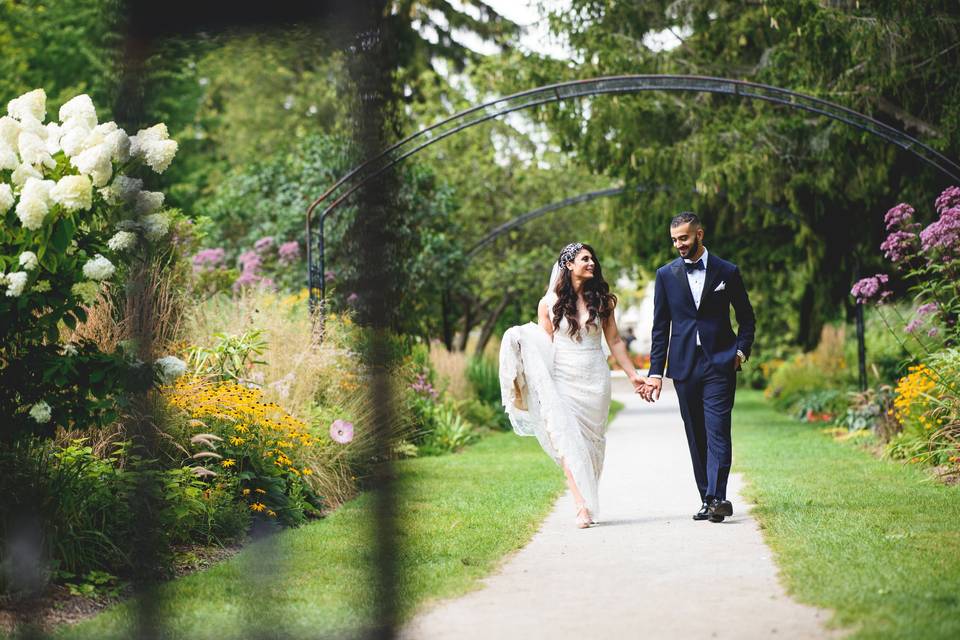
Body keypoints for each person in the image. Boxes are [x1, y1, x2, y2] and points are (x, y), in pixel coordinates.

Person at [500, 242, 648, 528]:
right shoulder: (549, 304)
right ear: (568, 265)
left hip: (595, 379)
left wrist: (632, 375)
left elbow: (615, 341)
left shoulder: (604, 301)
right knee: (569, 442)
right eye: (585, 259)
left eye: (593, 258)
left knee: (592, 446)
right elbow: (546, 344)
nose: (591, 263)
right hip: (563, 380)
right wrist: (520, 340)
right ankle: (581, 506)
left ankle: (589, 496)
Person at [639, 213, 755, 523]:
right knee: (696, 434)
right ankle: (707, 497)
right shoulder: (665, 275)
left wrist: (741, 352)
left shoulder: (727, 271)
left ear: (699, 234)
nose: (679, 244)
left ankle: (718, 497)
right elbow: (660, 327)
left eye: (684, 238)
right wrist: (655, 371)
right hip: (684, 365)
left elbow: (746, 317)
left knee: (718, 431)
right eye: (675, 239)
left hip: (720, 362)